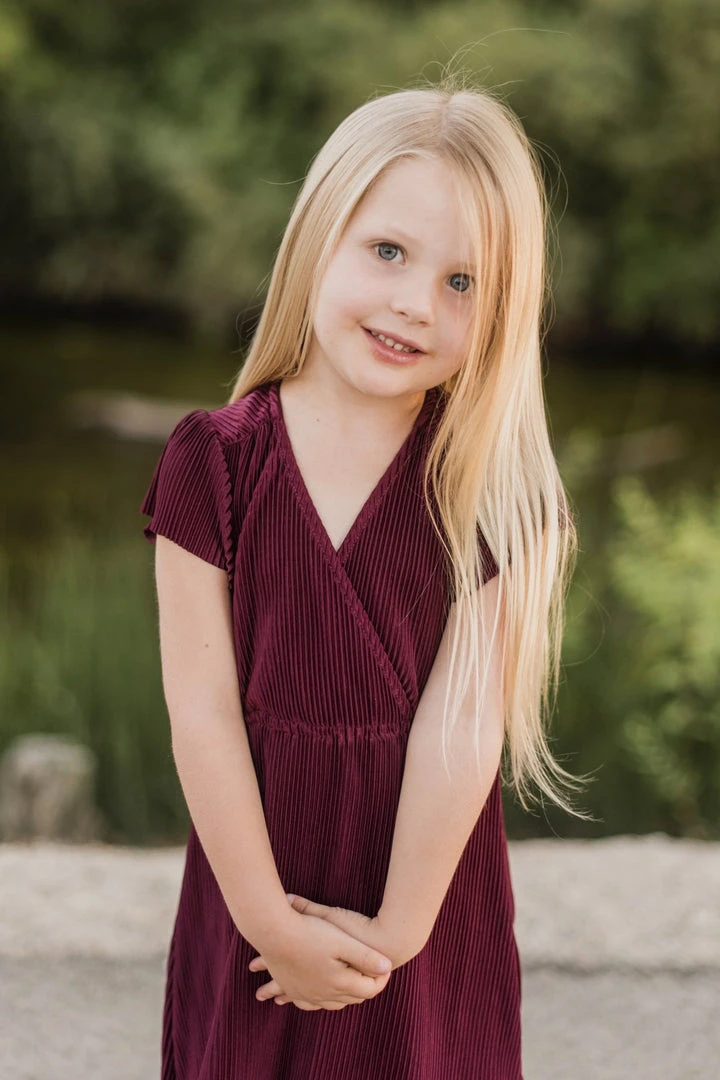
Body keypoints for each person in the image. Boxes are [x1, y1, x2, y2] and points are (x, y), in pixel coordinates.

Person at [140, 78, 583, 1080]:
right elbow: (202, 714)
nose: (415, 303)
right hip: (253, 894)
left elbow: (462, 729)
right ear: (319, 237)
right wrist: (270, 923)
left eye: (463, 282)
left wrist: (393, 936)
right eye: (388, 251)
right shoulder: (214, 462)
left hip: (419, 909)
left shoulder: (496, 491)